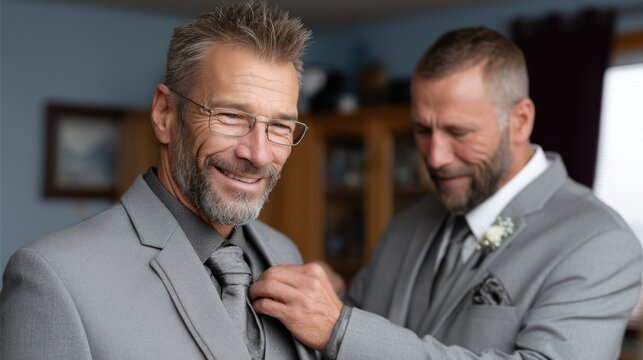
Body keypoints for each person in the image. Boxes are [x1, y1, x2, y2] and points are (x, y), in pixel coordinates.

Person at [249, 27, 643, 359]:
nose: (435, 158)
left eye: (459, 133)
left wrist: (342, 328)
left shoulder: (600, 243)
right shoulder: (408, 224)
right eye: (422, 131)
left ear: (520, 121)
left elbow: (350, 334)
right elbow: (358, 322)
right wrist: (332, 296)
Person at [0, 2, 315, 359]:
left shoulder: (284, 255)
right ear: (164, 114)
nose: (258, 155)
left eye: (280, 126)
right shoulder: (54, 277)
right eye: (229, 116)